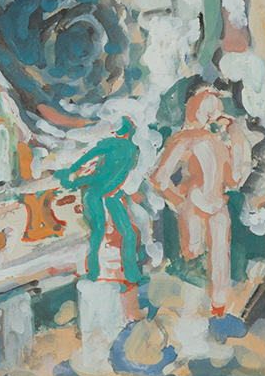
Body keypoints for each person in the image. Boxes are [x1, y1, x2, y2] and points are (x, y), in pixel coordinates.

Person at [150, 88, 252, 310]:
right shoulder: (188, 141)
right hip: (201, 206)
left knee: (211, 261)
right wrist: (180, 201)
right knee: (198, 258)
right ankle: (208, 308)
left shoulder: (211, 143)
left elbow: (234, 179)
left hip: (210, 206)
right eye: (208, 109)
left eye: (213, 110)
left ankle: (214, 308)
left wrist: (236, 139)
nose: (212, 115)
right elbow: (159, 179)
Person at [58, 117, 146, 284]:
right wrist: (73, 171)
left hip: (104, 194)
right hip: (105, 194)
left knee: (103, 232)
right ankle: (126, 275)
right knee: (123, 233)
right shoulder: (130, 149)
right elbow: (93, 158)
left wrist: (72, 171)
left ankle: (98, 274)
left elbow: (92, 156)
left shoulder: (123, 146)